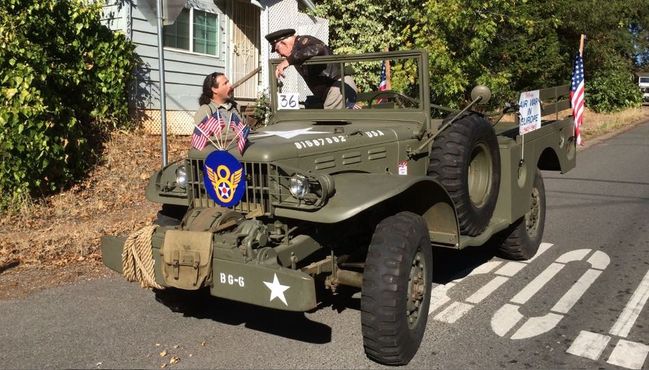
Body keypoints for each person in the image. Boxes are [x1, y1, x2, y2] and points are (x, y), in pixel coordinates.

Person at [265, 28, 357, 109]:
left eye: (277, 50)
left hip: (337, 86)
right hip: (336, 90)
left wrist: (288, 61)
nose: (279, 54)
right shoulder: (297, 51)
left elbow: (318, 49)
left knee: (330, 122)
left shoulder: (303, 42)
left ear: (284, 43)